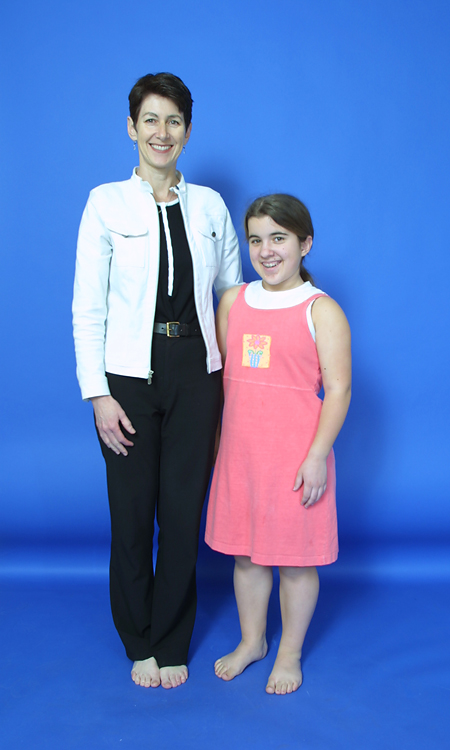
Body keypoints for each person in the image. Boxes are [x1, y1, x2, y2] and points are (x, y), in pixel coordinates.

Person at [72, 73, 242, 689]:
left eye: (173, 121)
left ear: (188, 132)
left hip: (197, 373)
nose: (161, 132)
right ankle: (136, 639)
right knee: (132, 514)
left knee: (181, 512)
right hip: (129, 376)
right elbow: (87, 305)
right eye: (150, 120)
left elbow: (229, 300)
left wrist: (235, 388)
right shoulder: (105, 203)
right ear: (131, 127)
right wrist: (98, 394)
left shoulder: (211, 207)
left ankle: (172, 640)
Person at [205, 194, 351, 694]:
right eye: (256, 240)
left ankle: (288, 651)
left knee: (294, 558)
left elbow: (339, 390)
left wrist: (316, 457)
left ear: (305, 244)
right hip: (242, 454)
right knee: (246, 556)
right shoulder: (234, 301)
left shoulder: (321, 310)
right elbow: (227, 379)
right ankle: (252, 641)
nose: (267, 251)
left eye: (279, 238)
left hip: (294, 458)